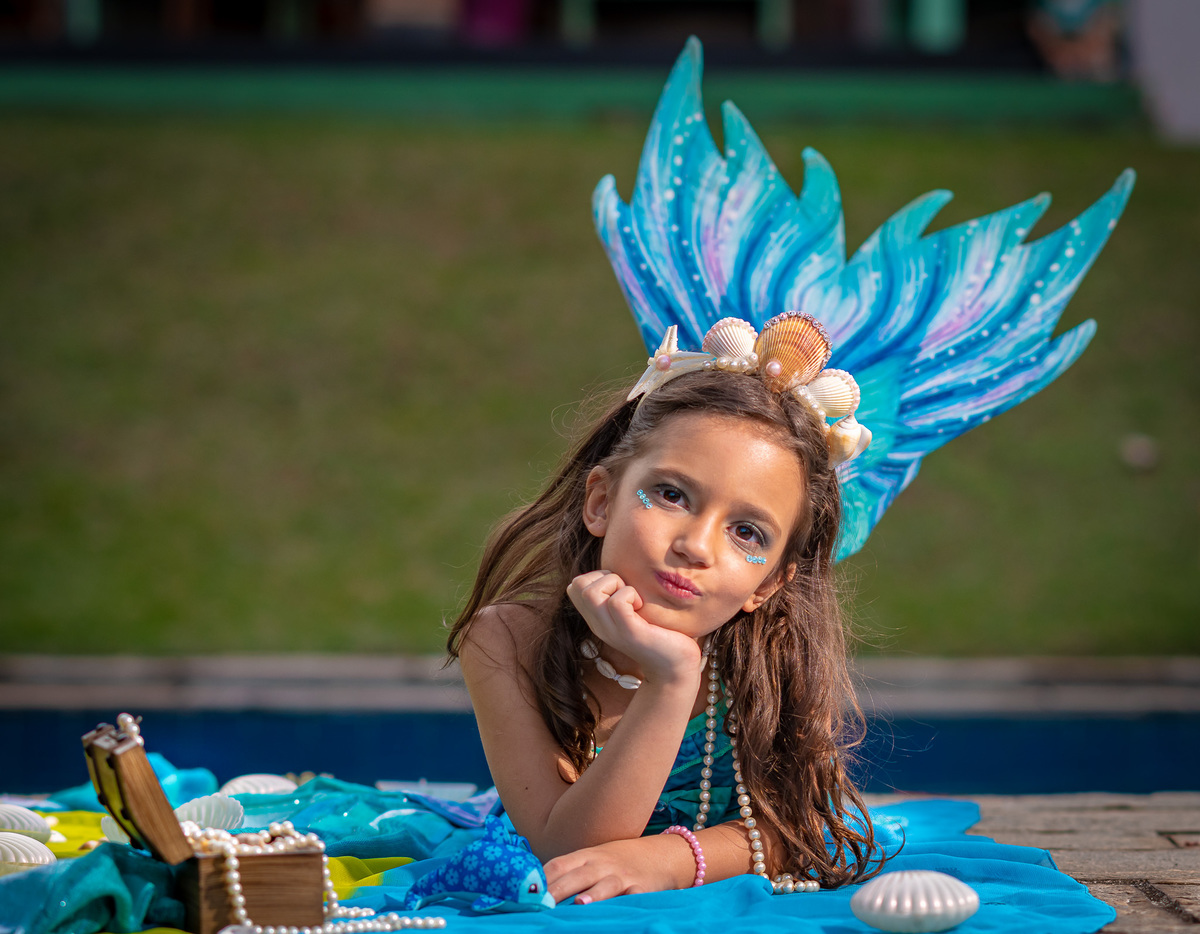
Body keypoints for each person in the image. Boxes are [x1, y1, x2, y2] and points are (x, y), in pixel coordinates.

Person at [446, 313, 880, 905]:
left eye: (747, 533)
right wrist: (671, 678)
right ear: (601, 501)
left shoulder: (771, 656)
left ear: (771, 583)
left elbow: (805, 829)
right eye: (672, 495)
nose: (695, 546)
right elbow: (567, 850)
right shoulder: (505, 641)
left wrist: (670, 860)